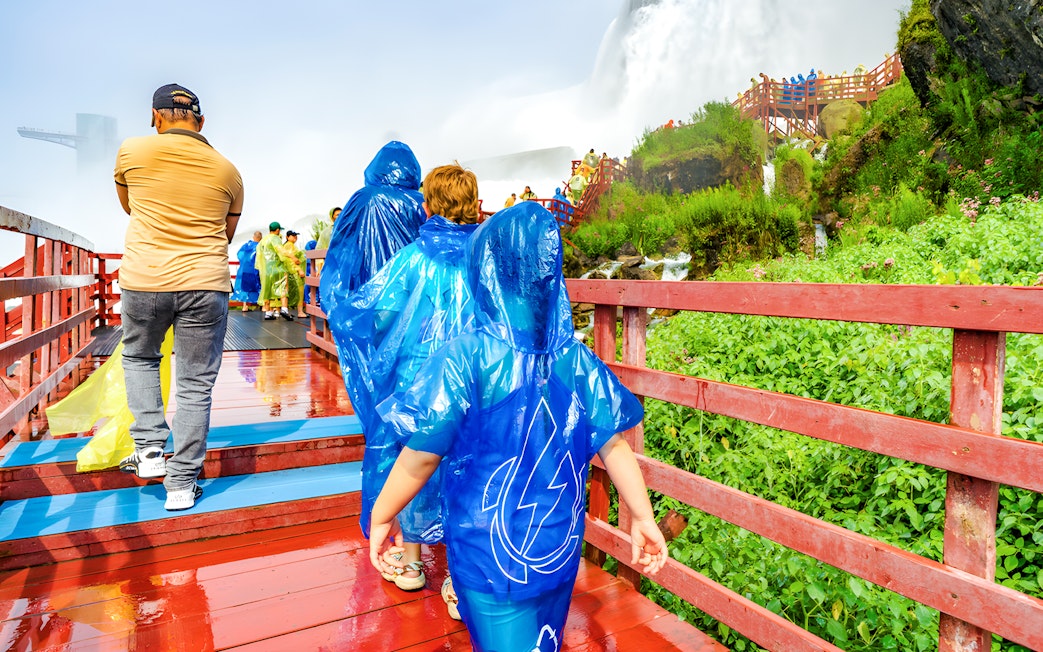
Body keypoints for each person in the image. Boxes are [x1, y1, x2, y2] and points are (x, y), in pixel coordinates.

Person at [370, 202, 667, 650]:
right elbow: (615, 446)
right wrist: (642, 517)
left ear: (484, 275)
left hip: (486, 552)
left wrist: (381, 514)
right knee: (544, 639)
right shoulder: (574, 359)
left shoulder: (465, 357)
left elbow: (421, 456)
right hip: (557, 548)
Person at [329, 163, 481, 608]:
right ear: (475, 203)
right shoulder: (484, 255)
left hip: (416, 376)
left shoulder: (413, 256)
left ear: (427, 205)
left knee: (413, 457)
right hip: (473, 376)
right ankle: (459, 577)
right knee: (466, 466)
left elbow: (375, 310)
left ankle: (413, 563)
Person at [114, 83, 243, 511]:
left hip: (145, 278)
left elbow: (131, 207)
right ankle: (182, 483)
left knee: (140, 357)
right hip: (206, 282)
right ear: (201, 122)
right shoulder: (229, 171)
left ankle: (150, 450)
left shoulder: (132, 152)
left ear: (156, 116)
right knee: (195, 384)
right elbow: (225, 235)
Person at [319, 141, 426, 309]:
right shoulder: (421, 202)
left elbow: (340, 239)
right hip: (411, 284)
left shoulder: (362, 198)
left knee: (373, 328)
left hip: (368, 282)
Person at [257, 222, 292, 320]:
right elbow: (281, 251)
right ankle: (284, 309)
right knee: (283, 286)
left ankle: (268, 312)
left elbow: (259, 256)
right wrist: (292, 257)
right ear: (277, 230)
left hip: (266, 269)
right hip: (277, 267)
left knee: (268, 290)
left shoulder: (263, 241)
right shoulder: (275, 238)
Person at [231, 231, 262, 312]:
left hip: (245, 270)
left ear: (253, 237)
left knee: (245, 287)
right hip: (255, 270)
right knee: (258, 286)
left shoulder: (246, 245)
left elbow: (239, 254)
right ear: (260, 238)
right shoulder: (260, 246)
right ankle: (261, 305)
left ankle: (245, 306)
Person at [279, 230, 307, 318]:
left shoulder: (289, 245)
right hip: (294, 272)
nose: (295, 237)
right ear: (287, 237)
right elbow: (290, 261)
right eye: (292, 235)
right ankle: (300, 311)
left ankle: (291, 311)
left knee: (293, 292)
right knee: (299, 291)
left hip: (292, 272)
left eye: (296, 235)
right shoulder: (289, 246)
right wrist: (298, 270)